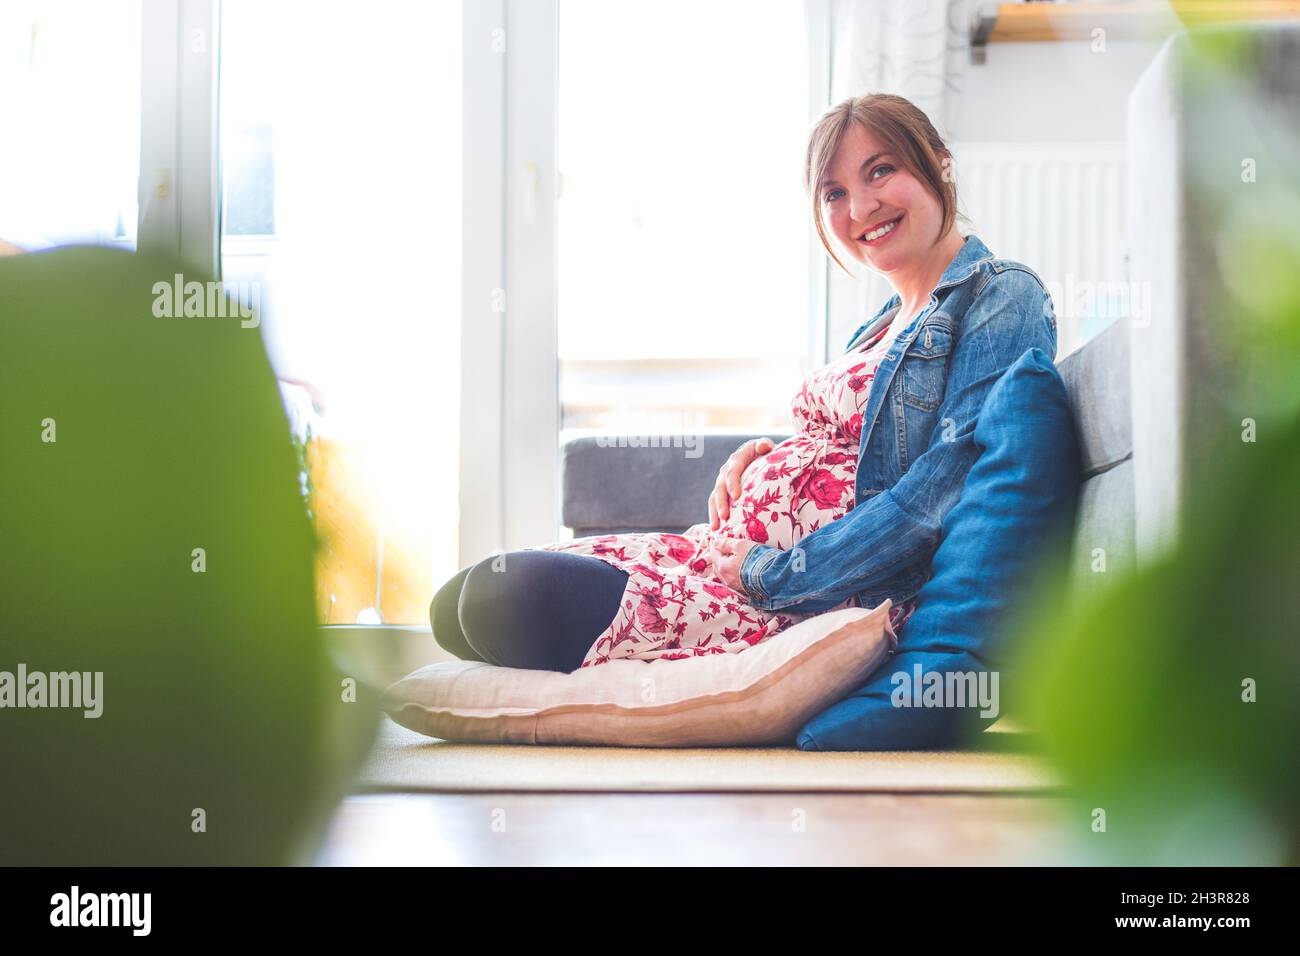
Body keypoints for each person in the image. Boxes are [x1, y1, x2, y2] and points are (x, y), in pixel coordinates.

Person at [432, 92, 1057, 673]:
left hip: (809, 597)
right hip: (732, 560)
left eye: (880, 170)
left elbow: (942, 491)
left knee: (505, 597)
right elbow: (857, 446)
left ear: (940, 166)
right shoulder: (880, 325)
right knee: (456, 604)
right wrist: (766, 454)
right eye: (833, 192)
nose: (860, 208)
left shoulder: (998, 294)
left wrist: (773, 572)